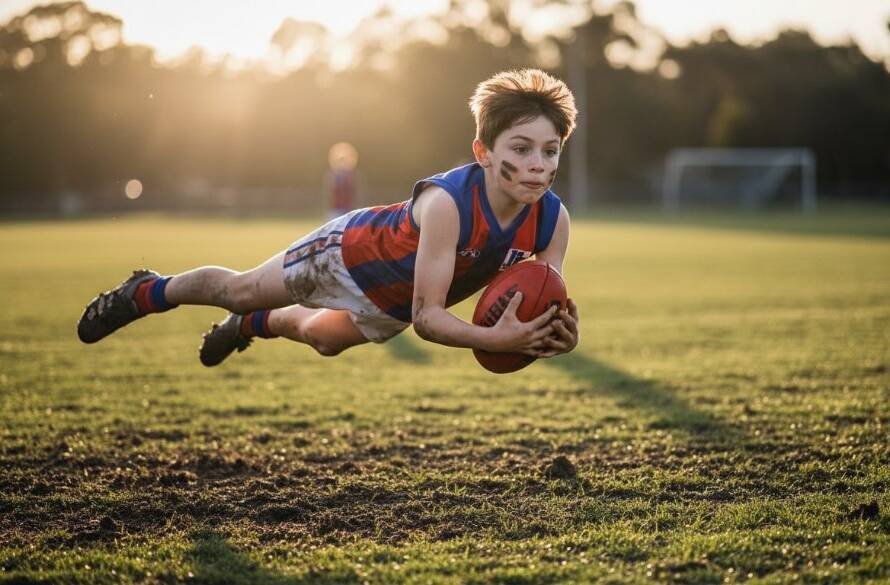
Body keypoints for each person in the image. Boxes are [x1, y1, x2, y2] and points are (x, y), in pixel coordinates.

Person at [77, 69, 581, 367]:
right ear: (484, 152)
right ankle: (147, 291)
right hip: (351, 253)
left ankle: (251, 326)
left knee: (323, 340)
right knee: (240, 288)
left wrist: (557, 334)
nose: (539, 164)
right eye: (521, 148)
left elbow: (544, 298)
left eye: (550, 150)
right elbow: (429, 319)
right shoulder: (449, 204)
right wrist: (496, 339)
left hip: (397, 300)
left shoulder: (551, 222)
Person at [326, 142, 360, 219]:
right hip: (336, 209)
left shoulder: (351, 175)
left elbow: (353, 193)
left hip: (348, 208)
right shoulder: (334, 175)